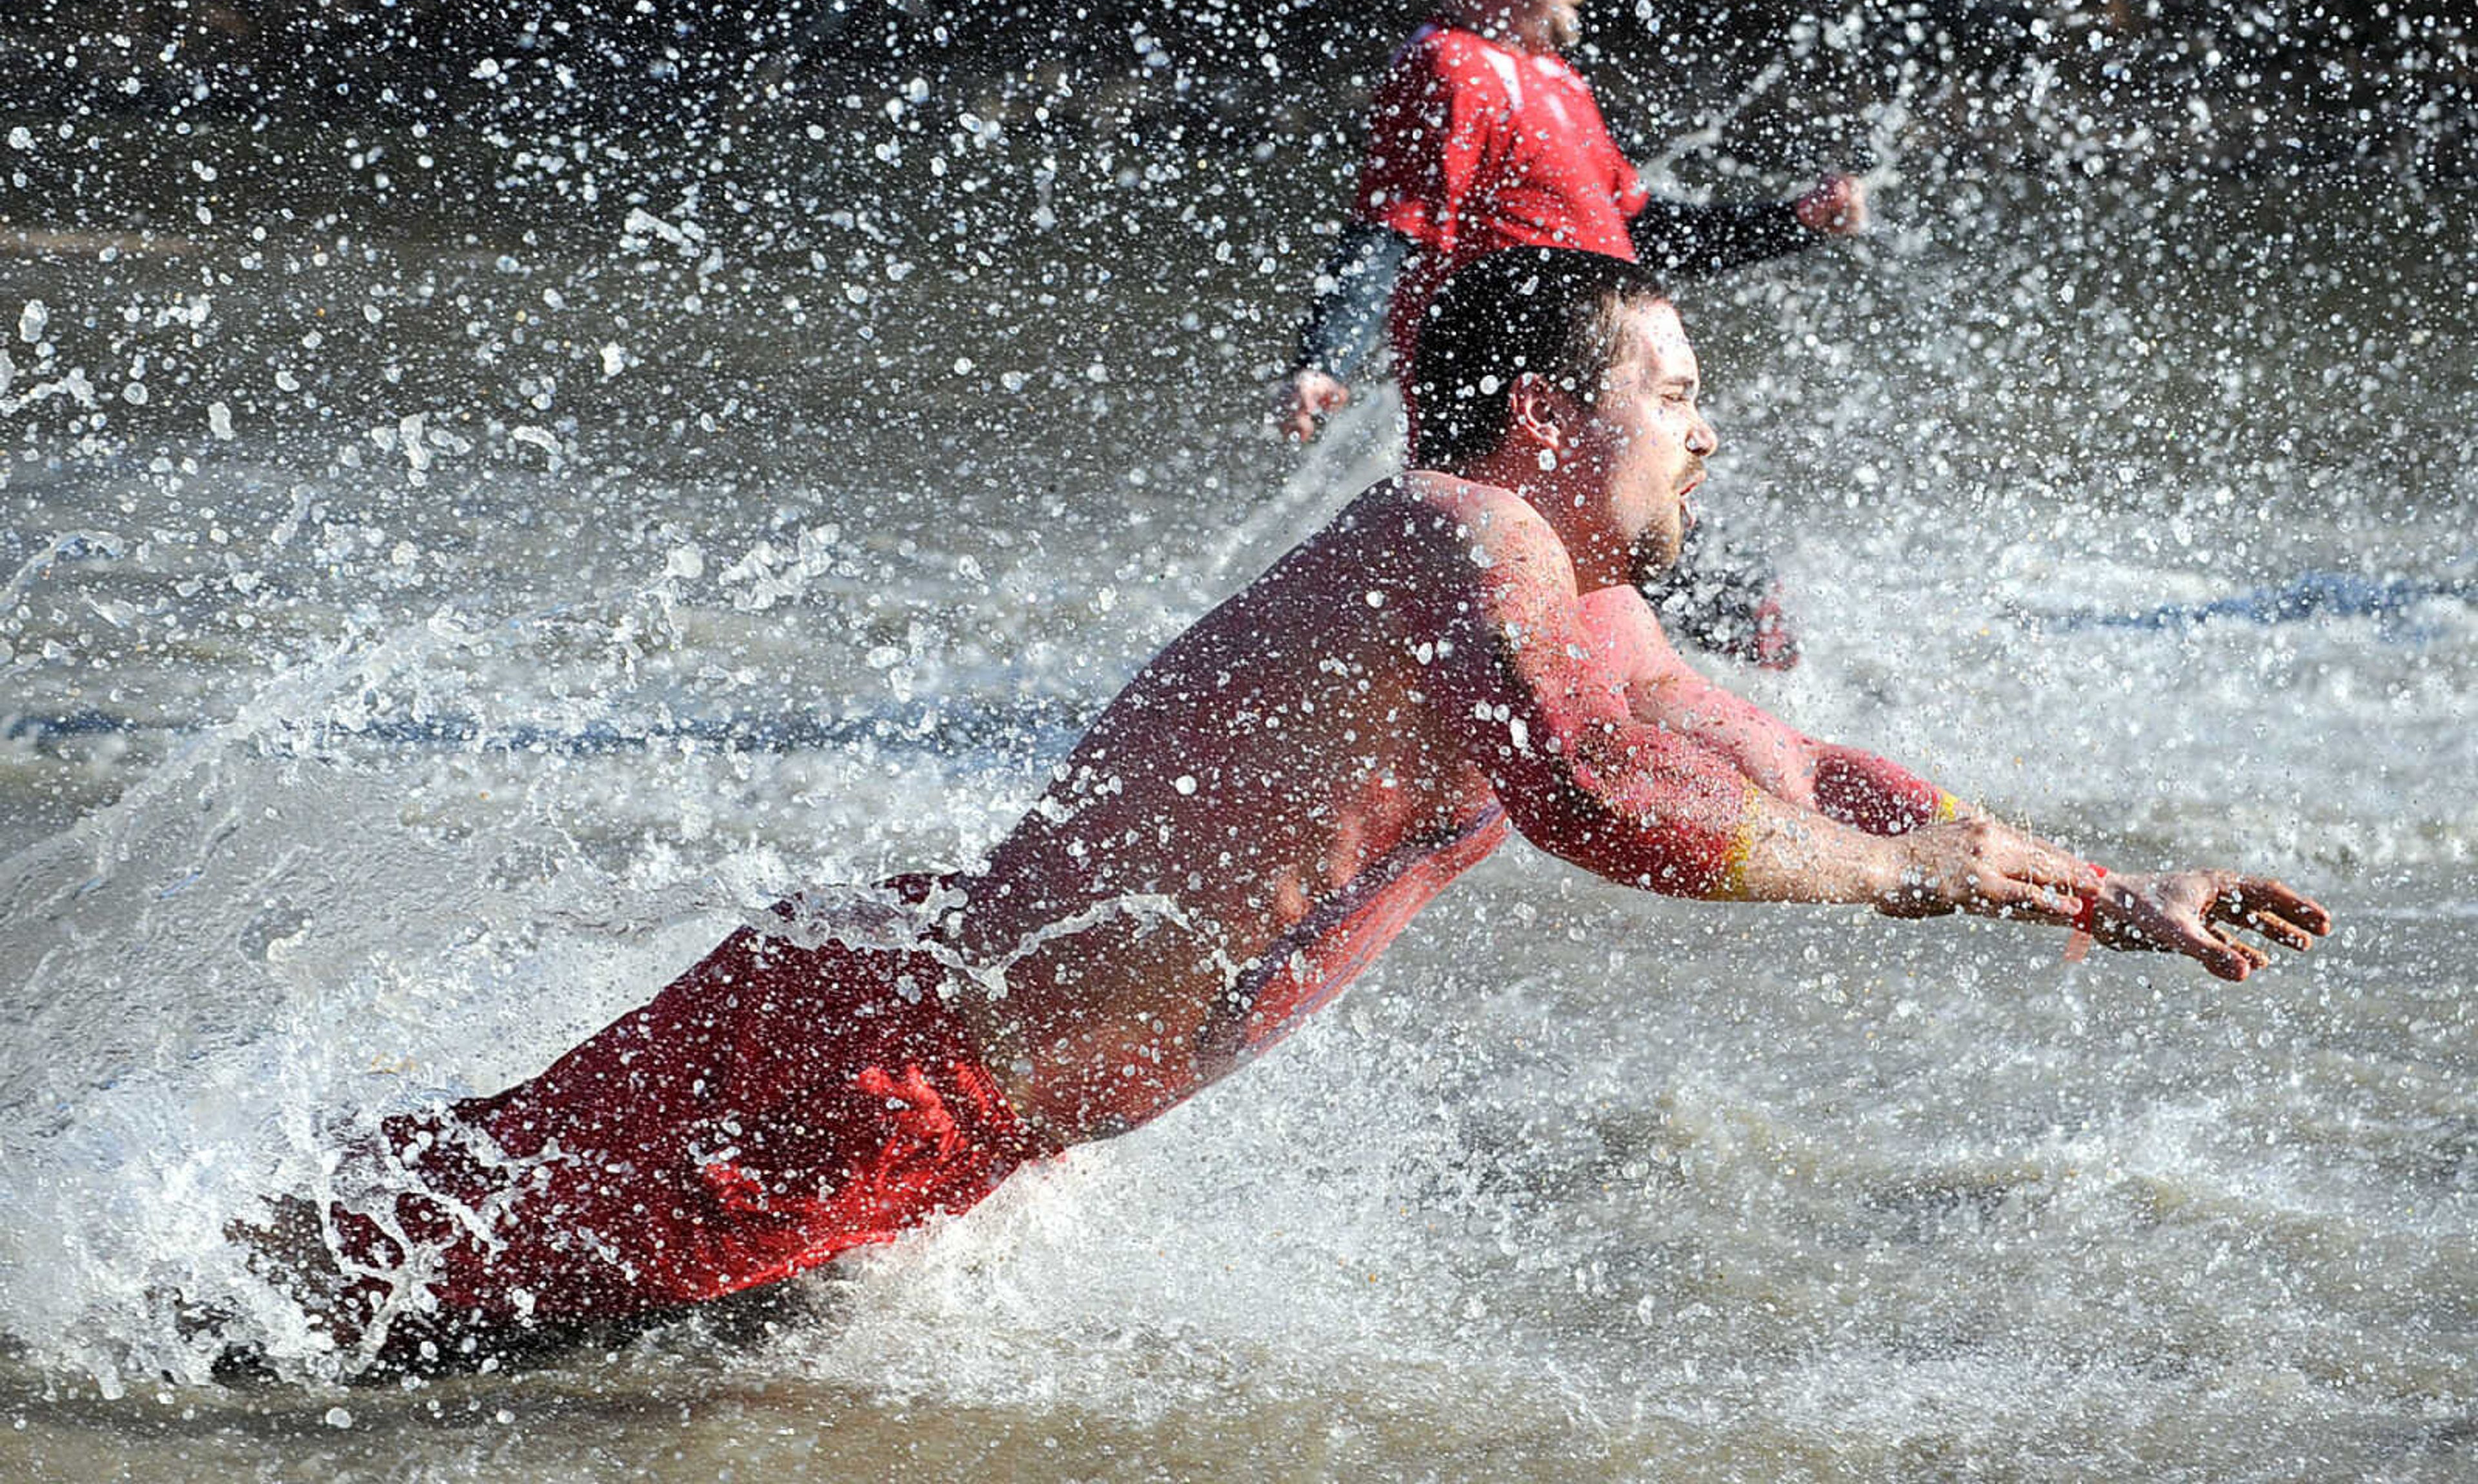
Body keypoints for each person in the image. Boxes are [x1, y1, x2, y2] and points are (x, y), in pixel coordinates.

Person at [250, 248, 2328, 1365]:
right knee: (330, 1341)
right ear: (1543, 415)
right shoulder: (1460, 543)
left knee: (433, 1332)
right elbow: (1597, 800)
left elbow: (1788, 764)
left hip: (937, 1092)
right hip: (875, 1071)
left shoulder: (1567, 593)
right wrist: (1907, 885)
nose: (1706, 428)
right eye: (1671, 391)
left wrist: (2073, 876)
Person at [1271, 0, 1866, 669]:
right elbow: (1390, 229)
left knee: (1692, 609)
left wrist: (1792, 222)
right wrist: (1323, 359)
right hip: (1523, 419)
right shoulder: (1448, 67)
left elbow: (1643, 234)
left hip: (1600, 409)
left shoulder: (1557, 81)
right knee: (1576, 616)